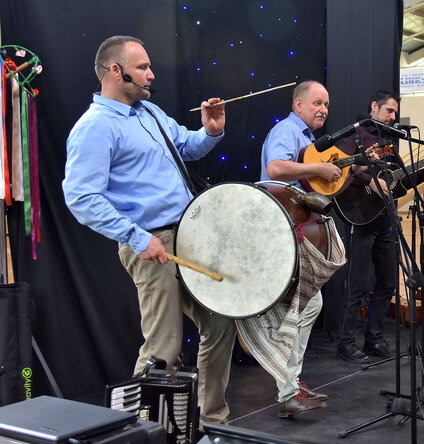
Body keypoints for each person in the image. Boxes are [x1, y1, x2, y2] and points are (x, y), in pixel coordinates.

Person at [62, 36, 236, 425]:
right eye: (142, 67)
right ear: (114, 71)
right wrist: (138, 237)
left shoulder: (150, 112)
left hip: (188, 233)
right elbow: (81, 198)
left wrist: (210, 131)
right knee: (163, 346)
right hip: (150, 241)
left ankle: (210, 422)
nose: (151, 74)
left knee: (221, 322)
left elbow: (186, 147)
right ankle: (144, 430)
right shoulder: (94, 127)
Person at [331, 91, 424, 362]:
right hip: (360, 219)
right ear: (374, 107)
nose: (393, 117)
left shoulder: (389, 143)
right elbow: (340, 172)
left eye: (395, 113)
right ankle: (346, 342)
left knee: (387, 283)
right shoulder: (355, 138)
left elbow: (400, 183)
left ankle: (374, 337)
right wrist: (369, 182)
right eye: (389, 111)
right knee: (358, 284)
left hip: (386, 220)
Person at [259, 80, 339, 416]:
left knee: (307, 305)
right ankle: (287, 389)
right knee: (304, 305)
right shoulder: (287, 131)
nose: (323, 110)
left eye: (326, 105)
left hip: (291, 229)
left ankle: (290, 386)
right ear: (298, 105)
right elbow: (276, 169)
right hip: (278, 229)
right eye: (317, 103)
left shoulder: (307, 139)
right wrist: (318, 169)